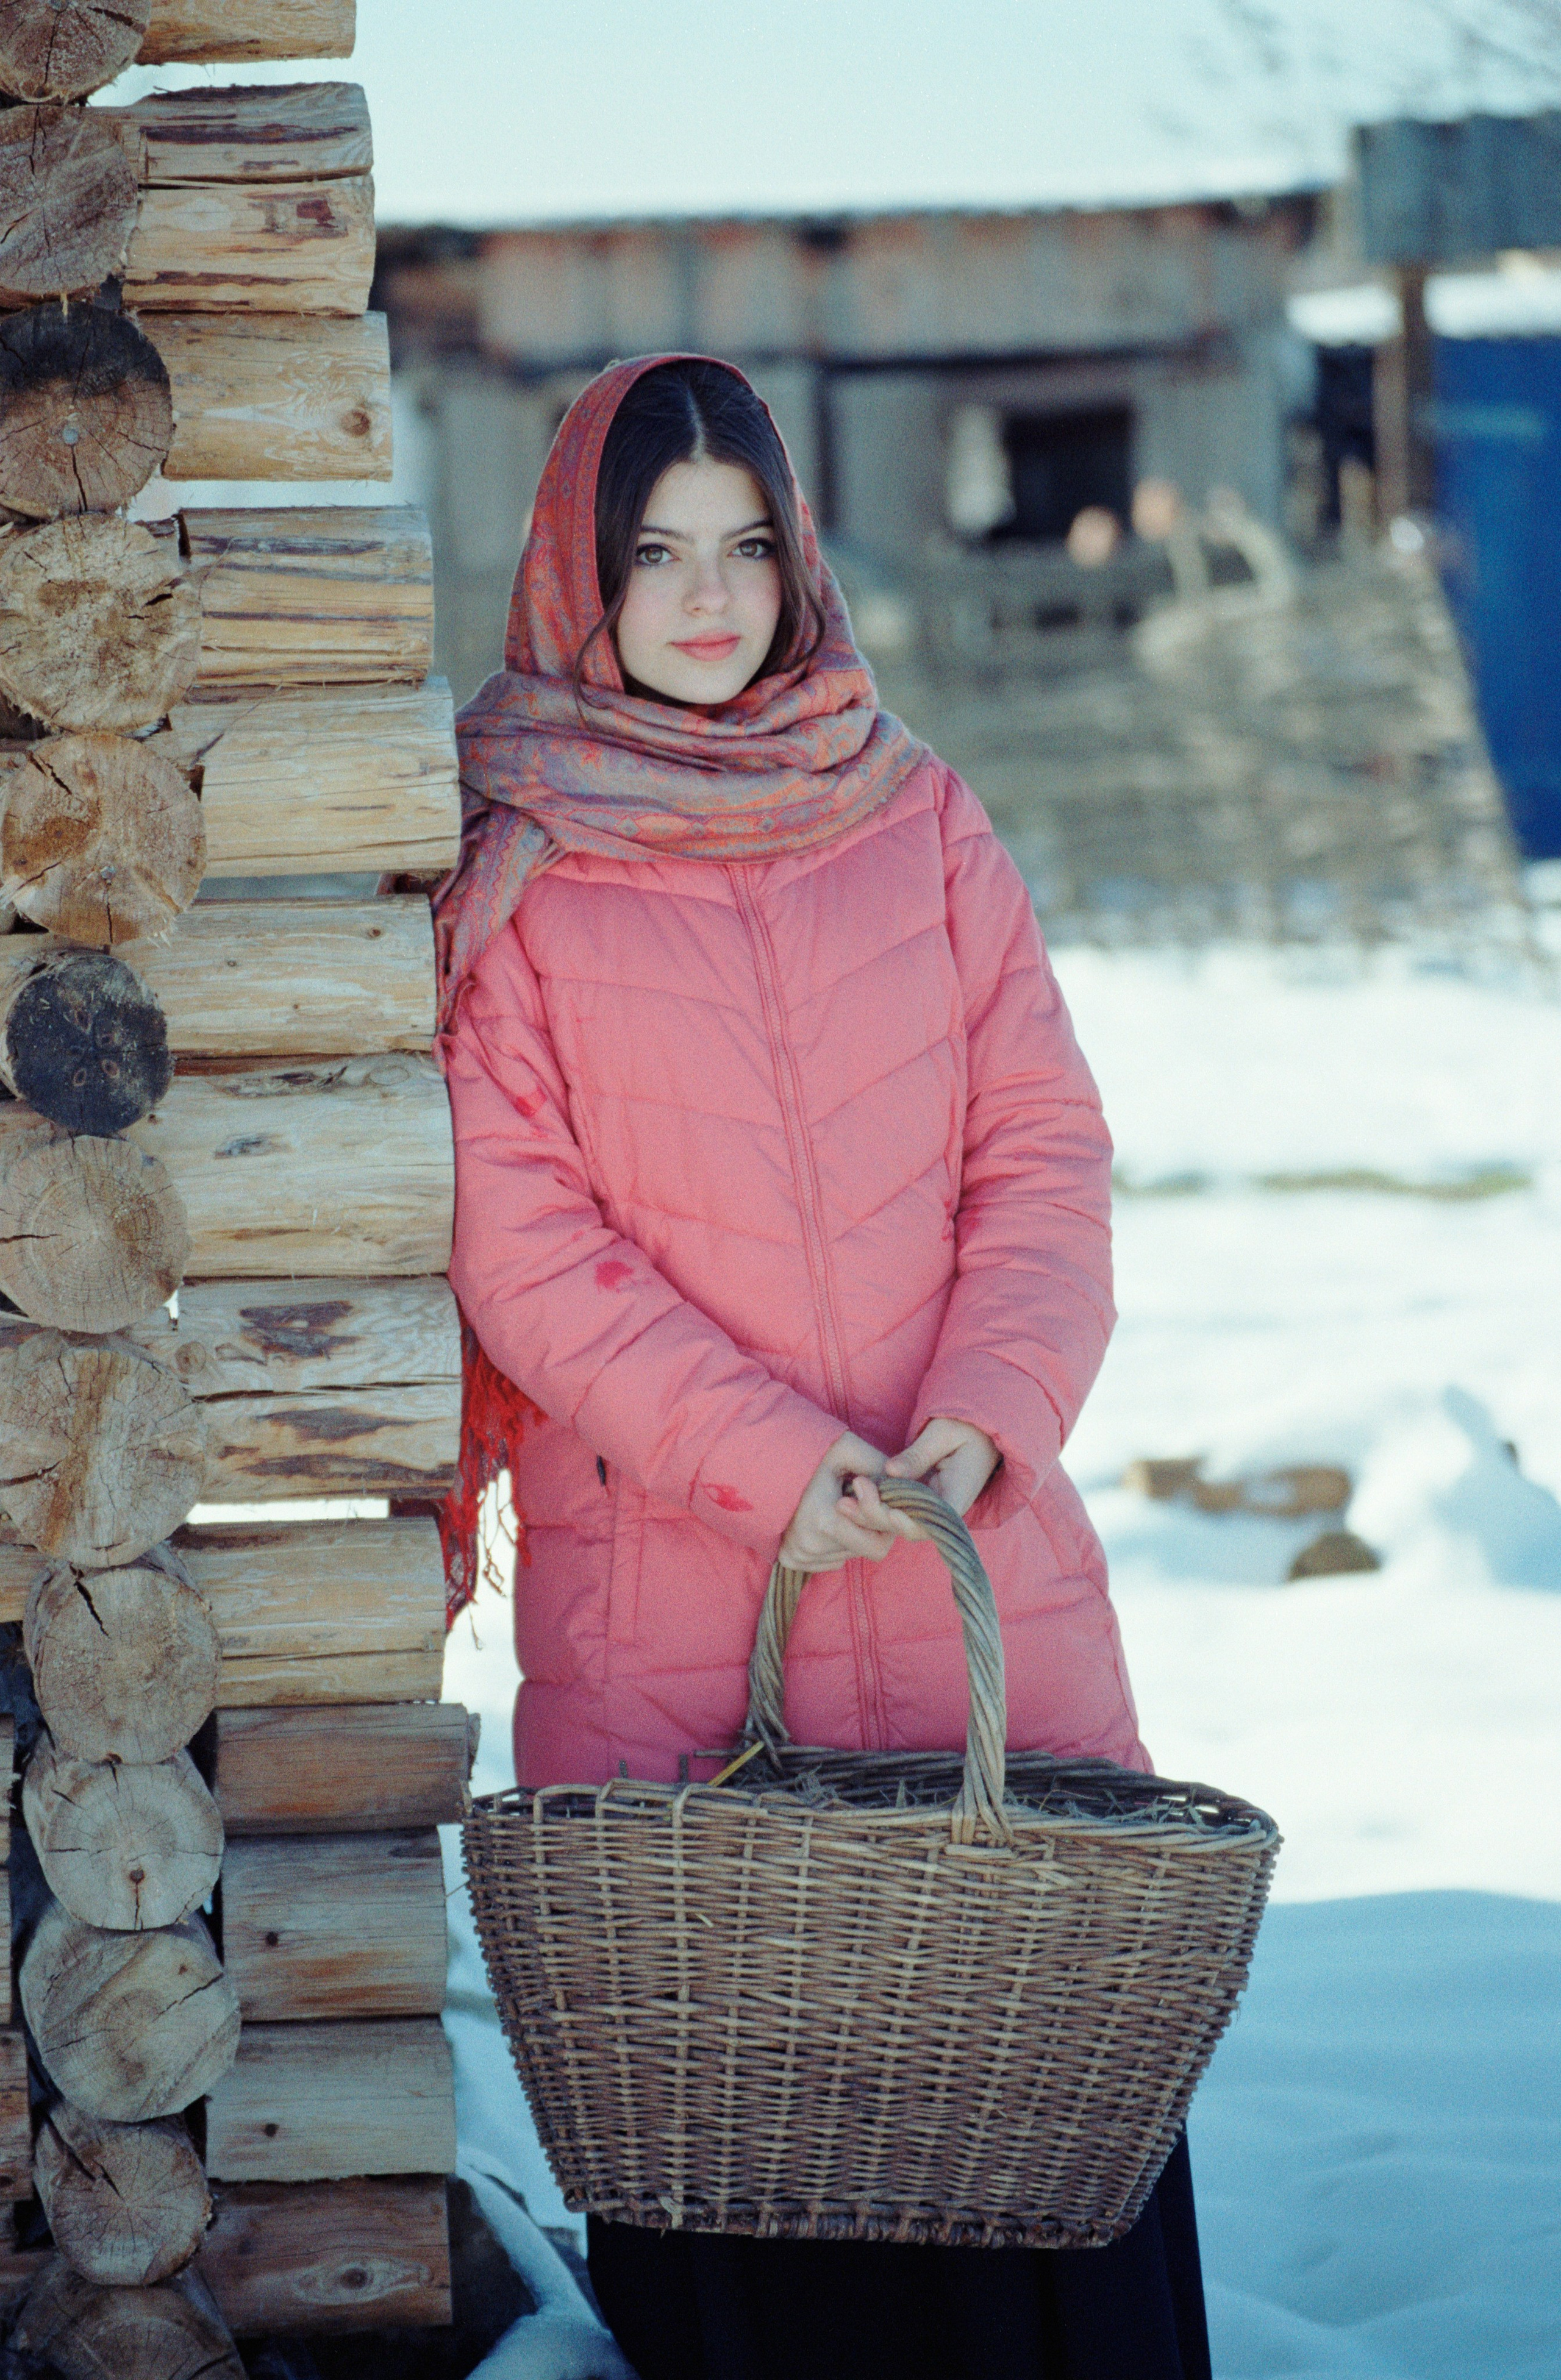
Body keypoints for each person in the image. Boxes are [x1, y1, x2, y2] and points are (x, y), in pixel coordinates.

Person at [438, 353, 1212, 2380]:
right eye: (659, 555)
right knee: (762, 2213)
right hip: (685, 1625)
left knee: (1039, 2164)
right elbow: (521, 1246)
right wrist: (777, 1469)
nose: (710, 601)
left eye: (750, 548)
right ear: (576, 579)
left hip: (981, 1593)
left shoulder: (921, 818)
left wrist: (999, 1410)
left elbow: (1044, 1149)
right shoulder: (513, 868)